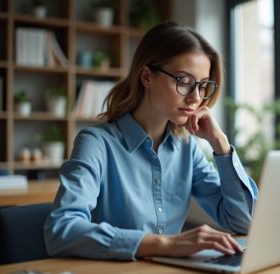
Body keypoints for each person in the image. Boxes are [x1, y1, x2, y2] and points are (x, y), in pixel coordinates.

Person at [44, 21, 258, 261]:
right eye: (184, 82)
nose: (196, 98)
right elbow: (61, 230)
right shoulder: (96, 143)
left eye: (202, 85)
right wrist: (166, 243)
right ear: (146, 76)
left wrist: (220, 144)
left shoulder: (187, 147)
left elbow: (245, 222)